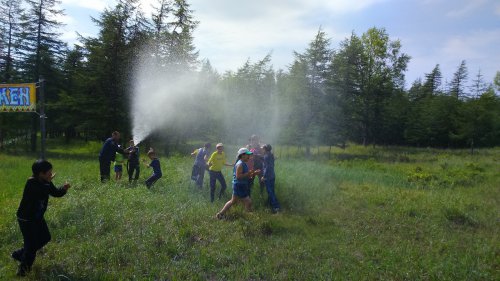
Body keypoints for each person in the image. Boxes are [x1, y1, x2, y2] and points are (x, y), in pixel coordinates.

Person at [12, 159, 71, 276]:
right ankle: (22, 272)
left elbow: (55, 192)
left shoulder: (45, 181)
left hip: (37, 217)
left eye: (51, 171)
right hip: (27, 219)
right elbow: (41, 192)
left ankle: (19, 254)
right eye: (48, 172)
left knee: (45, 237)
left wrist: (64, 188)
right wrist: (48, 182)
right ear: (40, 174)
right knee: (32, 247)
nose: (51, 174)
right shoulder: (31, 183)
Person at [216, 148, 260, 219]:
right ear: (242, 155)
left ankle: (220, 214)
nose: (249, 157)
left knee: (233, 201)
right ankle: (248, 217)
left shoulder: (243, 163)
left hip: (239, 185)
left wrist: (254, 173)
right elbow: (239, 176)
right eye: (247, 155)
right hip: (239, 185)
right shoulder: (240, 164)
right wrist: (249, 173)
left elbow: (246, 176)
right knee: (248, 202)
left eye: (249, 155)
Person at [261, 144, 281, 213]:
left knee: (270, 192)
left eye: (263, 149)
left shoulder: (266, 156)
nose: (262, 150)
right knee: (271, 191)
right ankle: (269, 204)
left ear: (265, 149)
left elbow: (267, 167)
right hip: (272, 176)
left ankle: (276, 207)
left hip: (268, 177)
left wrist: (264, 176)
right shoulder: (271, 155)